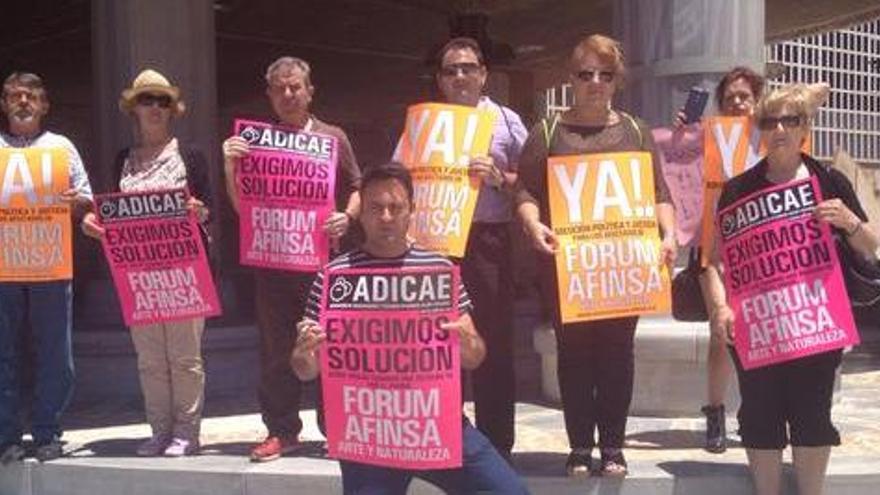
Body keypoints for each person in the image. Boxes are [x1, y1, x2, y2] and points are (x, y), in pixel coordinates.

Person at [291, 162, 530, 495]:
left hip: (436, 425)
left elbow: (473, 359)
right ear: (361, 212)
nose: (386, 216)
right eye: (376, 208)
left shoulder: (439, 270)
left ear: (411, 211)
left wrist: (467, 340)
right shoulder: (334, 277)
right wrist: (304, 353)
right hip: (369, 437)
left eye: (395, 207)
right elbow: (304, 371)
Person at [703, 83, 880, 495]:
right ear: (759, 130)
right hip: (757, 325)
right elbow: (712, 261)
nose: (780, 128)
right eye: (770, 121)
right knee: (760, 415)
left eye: (791, 119)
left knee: (812, 415)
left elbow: (871, 245)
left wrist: (849, 222)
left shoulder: (830, 180)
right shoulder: (737, 190)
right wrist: (720, 308)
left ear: (805, 127)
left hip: (815, 323)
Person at [514, 34, 676, 477]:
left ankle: (613, 448)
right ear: (572, 79)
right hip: (569, 268)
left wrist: (669, 232)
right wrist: (533, 224)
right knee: (574, 355)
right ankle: (580, 446)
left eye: (606, 74)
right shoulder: (547, 132)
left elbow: (658, 193)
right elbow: (525, 190)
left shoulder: (636, 131)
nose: (596, 82)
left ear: (617, 81)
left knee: (618, 354)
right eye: (586, 73)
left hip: (622, 267)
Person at [222, 56, 362, 462]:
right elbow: (241, 207)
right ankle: (282, 431)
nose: (288, 94)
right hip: (272, 265)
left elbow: (357, 185)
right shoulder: (256, 142)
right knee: (276, 350)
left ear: (310, 91)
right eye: (279, 88)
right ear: (269, 95)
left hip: (322, 264)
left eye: (295, 86)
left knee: (329, 346)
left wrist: (347, 216)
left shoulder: (333, 136)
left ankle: (336, 430)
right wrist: (231, 165)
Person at [80, 69, 213, 456]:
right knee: (150, 359)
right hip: (138, 276)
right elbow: (109, 215)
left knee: (185, 358)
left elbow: (211, 211)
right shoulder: (123, 159)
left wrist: (200, 211)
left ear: (172, 110)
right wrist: (92, 223)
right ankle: (159, 430)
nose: (154, 107)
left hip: (185, 272)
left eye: (162, 101)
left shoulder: (192, 156)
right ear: (133, 110)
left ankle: (186, 432)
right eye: (146, 100)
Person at [431, 36, 528, 459]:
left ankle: (496, 444)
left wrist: (499, 178)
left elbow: (533, 183)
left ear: (484, 74)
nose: (460, 76)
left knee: (492, 341)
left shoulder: (507, 121)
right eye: (451, 70)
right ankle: (446, 435)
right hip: (437, 246)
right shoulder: (426, 123)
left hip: (489, 240)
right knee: (439, 343)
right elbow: (398, 178)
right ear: (440, 80)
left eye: (467, 67)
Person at [0, 72, 93, 463]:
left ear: (44, 105)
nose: (23, 101)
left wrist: (76, 203)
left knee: (56, 355)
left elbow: (86, 199)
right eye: (15, 96)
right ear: (4, 104)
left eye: (32, 96)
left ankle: (46, 431)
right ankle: (5, 436)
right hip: (3, 269)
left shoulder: (62, 148)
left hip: (51, 266)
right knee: (2, 355)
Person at [674, 66, 766, 453]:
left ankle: (757, 412)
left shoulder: (769, 139)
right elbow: (674, 170)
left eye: (745, 97)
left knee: (759, 332)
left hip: (761, 250)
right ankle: (715, 413)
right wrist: (681, 137)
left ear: (757, 101)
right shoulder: (706, 141)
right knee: (720, 329)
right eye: (730, 99)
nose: (738, 103)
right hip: (714, 250)